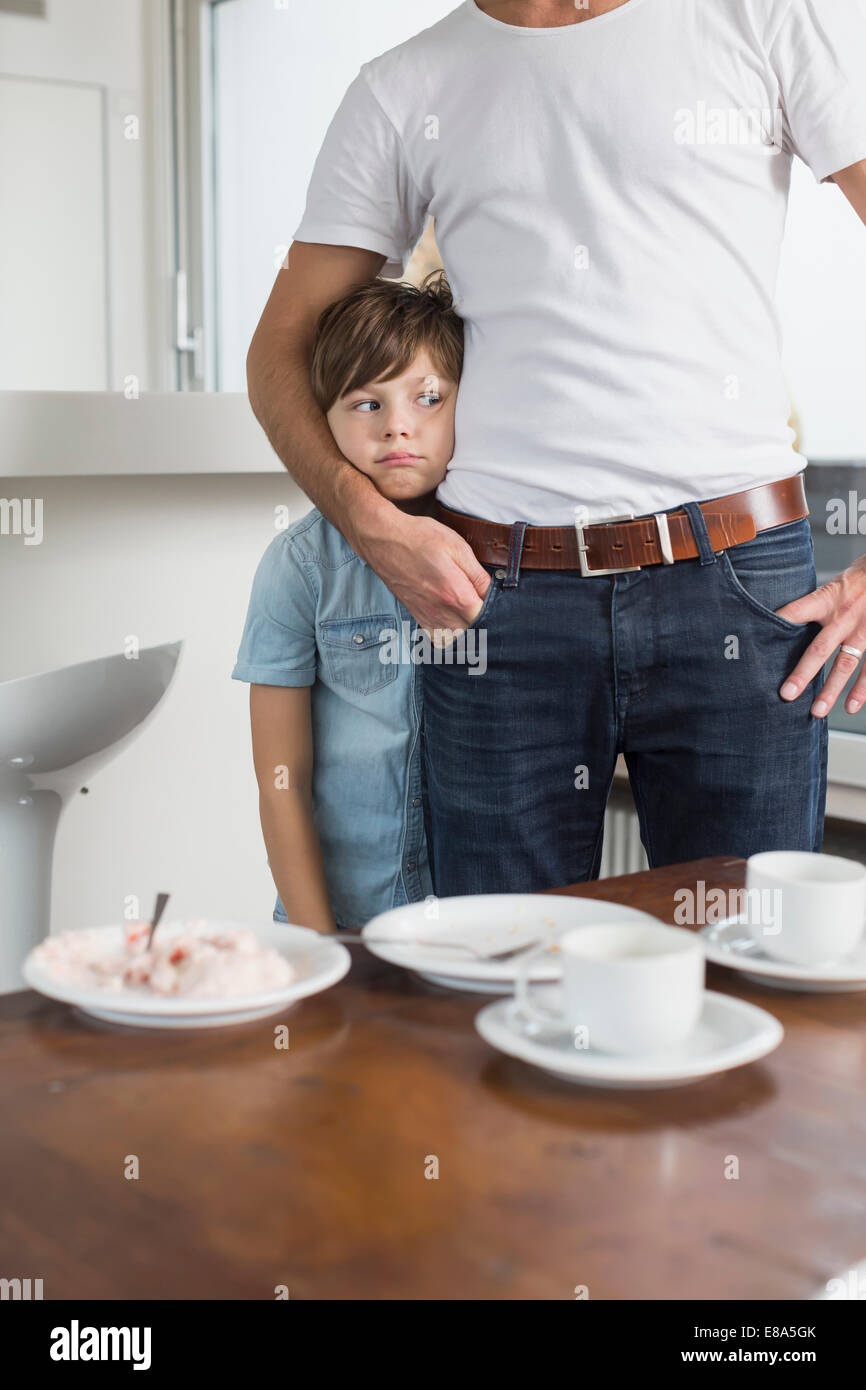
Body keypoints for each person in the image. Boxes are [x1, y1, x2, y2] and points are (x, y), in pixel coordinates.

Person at [246, 0, 866, 898]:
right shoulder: (400, 88)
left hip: (739, 583)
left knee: (751, 978)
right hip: (499, 603)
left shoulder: (761, 17)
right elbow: (280, 347)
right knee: (497, 986)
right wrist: (368, 521)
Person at [231, 272, 463, 931]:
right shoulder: (299, 567)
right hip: (339, 923)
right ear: (322, 418)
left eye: (427, 399)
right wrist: (320, 948)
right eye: (368, 404)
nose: (398, 429)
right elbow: (282, 787)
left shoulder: (505, 554)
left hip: (466, 932)